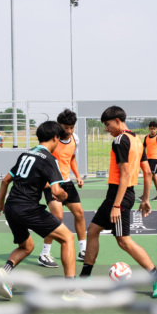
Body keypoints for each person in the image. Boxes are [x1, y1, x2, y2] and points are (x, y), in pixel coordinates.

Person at [79, 106, 157, 298]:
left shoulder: (120, 141)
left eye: (108, 125)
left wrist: (117, 205)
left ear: (118, 121)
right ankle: (84, 278)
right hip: (120, 194)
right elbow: (148, 172)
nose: (106, 129)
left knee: (124, 241)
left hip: (119, 195)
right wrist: (144, 199)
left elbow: (125, 174)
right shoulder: (137, 139)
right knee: (93, 230)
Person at [0, 121, 84, 300]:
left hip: (11, 207)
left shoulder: (25, 153)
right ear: (55, 138)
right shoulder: (50, 159)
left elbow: (5, 181)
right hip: (28, 208)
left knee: (27, 246)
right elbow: (57, 191)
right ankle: (72, 290)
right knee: (67, 238)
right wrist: (65, 197)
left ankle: (4, 272)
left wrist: (0, 205)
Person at [38, 109, 87, 267]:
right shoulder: (51, 139)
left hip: (67, 181)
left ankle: (83, 250)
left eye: (71, 127)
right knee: (57, 217)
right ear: (59, 125)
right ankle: (44, 253)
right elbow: (41, 159)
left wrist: (78, 176)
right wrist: (44, 180)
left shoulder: (75, 139)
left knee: (79, 213)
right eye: (65, 127)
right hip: (52, 183)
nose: (68, 130)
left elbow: (71, 157)